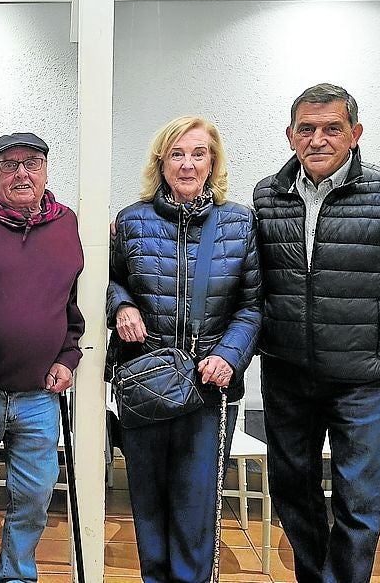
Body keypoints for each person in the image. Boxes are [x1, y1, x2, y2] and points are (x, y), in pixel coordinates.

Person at [253, 83, 380, 583]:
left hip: (363, 380)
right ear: (291, 135)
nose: (318, 139)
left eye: (332, 128)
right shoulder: (267, 195)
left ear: (355, 134)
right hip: (287, 376)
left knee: (358, 505)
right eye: (307, 128)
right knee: (294, 498)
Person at [108, 116, 261, 583]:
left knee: (196, 514)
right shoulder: (131, 221)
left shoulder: (238, 223)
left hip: (207, 390)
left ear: (213, 162)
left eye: (199, 153)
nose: (188, 164)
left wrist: (229, 357)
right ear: (162, 161)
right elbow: (108, 281)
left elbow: (253, 307)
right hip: (146, 387)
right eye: (177, 153)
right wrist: (121, 306)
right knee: (148, 507)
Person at [0, 132, 85, 583]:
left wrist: (68, 357)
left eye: (32, 163)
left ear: (46, 171)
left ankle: (17, 574)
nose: (21, 173)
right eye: (9, 165)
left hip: (39, 395)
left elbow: (73, 303)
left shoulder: (67, 224)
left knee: (35, 495)